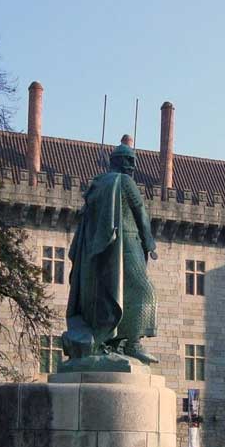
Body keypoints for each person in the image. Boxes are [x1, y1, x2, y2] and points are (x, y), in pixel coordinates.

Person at [62, 141, 158, 364]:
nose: (133, 167)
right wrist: (150, 244)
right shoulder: (125, 182)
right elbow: (141, 213)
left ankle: (115, 342)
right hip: (127, 243)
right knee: (145, 292)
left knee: (111, 294)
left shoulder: (96, 185)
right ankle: (132, 344)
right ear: (121, 163)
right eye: (130, 162)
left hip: (99, 252)